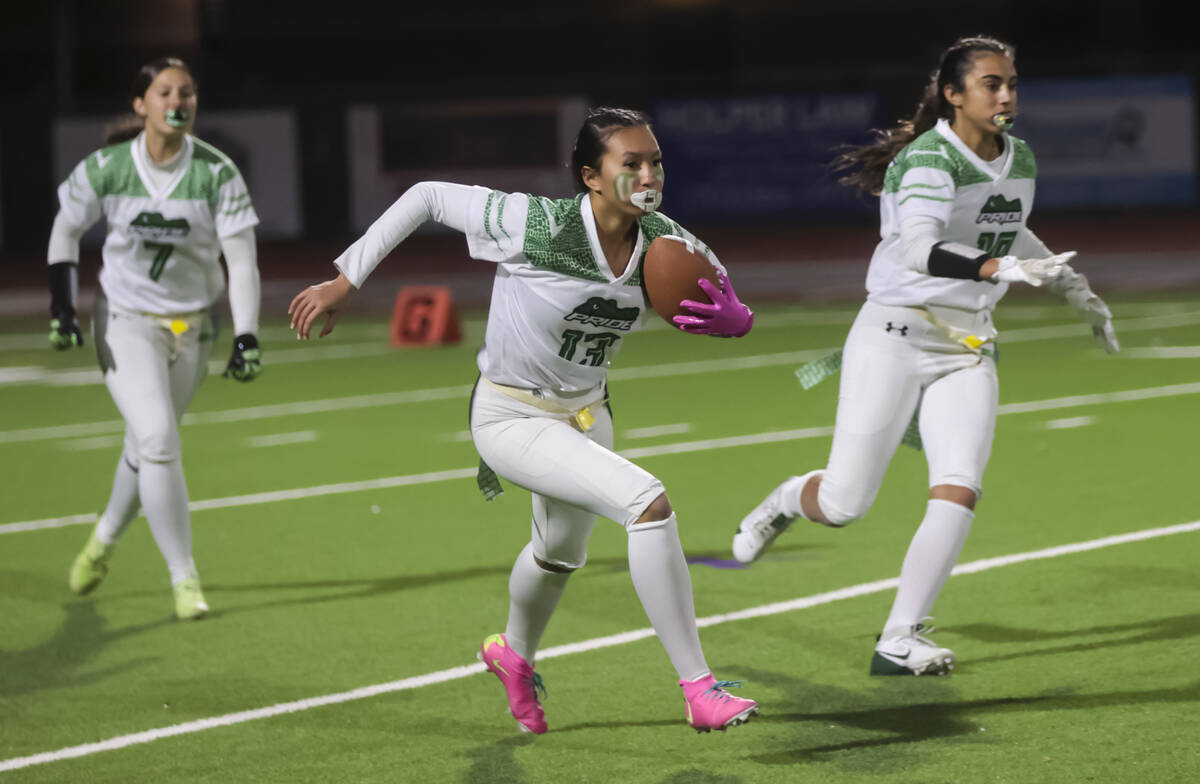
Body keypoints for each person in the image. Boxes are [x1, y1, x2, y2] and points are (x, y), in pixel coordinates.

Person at [288, 107, 759, 733]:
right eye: (632, 163)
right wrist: (347, 279)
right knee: (647, 504)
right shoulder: (535, 224)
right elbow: (427, 196)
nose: (650, 175)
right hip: (512, 413)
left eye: (656, 162)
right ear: (592, 176)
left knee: (559, 553)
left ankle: (512, 654)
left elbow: (721, 294)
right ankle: (698, 689)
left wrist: (738, 320)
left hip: (588, 412)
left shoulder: (668, 242)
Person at [731, 36, 1119, 675]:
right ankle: (786, 499)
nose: (1006, 95)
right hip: (896, 334)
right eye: (992, 84)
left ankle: (899, 637)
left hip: (967, 349)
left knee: (959, 488)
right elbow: (920, 248)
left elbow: (1005, 225)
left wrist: (1073, 287)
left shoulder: (1017, 157)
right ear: (953, 93)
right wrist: (1001, 268)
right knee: (844, 504)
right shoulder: (928, 159)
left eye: (1012, 83)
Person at [51, 57, 263, 620]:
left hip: (192, 326)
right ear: (140, 104)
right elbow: (66, 227)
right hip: (126, 321)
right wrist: (61, 302)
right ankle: (184, 578)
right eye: (165, 90)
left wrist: (246, 335)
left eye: (187, 91)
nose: (178, 99)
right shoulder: (108, 167)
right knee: (159, 440)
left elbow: (241, 261)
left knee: (144, 446)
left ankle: (101, 542)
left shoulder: (217, 173)